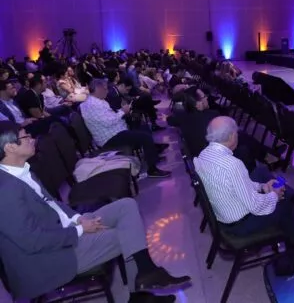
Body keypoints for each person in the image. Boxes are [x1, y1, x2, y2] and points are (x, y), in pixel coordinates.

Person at [0, 121, 190, 302]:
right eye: (25, 137)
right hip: (46, 259)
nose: (32, 139)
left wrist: (78, 219)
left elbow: (53, 204)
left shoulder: (22, 170)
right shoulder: (5, 189)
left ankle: (145, 276)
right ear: (10, 147)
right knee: (126, 235)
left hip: (61, 229)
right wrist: (80, 230)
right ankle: (142, 286)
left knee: (126, 206)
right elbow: (32, 241)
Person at [194, 117, 294, 249]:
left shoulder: (203, 155)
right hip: (240, 225)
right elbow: (254, 206)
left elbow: (236, 184)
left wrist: (263, 187)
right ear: (231, 136)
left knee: (261, 172)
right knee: (285, 203)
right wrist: (274, 196)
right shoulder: (233, 165)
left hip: (224, 213)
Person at [80, 79, 170, 178]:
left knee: (142, 125)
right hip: (110, 138)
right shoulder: (93, 105)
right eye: (105, 89)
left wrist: (122, 111)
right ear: (98, 89)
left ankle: (153, 152)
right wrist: (123, 111)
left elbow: (108, 117)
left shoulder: (97, 101)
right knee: (145, 137)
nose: (107, 91)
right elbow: (108, 122)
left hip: (114, 131)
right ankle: (152, 170)